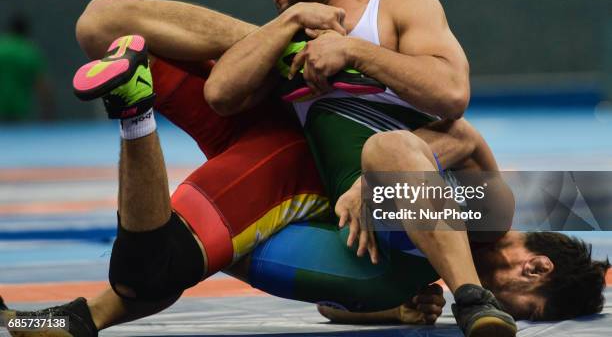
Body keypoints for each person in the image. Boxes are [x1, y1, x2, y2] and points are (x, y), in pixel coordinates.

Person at [1, 33, 609, 336]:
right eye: (522, 310)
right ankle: (140, 105)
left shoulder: (431, 265)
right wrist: (370, 191)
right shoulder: (492, 212)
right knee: (103, 21)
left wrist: (392, 310)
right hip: (294, 156)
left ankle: (30, 326)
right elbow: (402, 146)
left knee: (143, 281)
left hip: (287, 187)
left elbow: (332, 304)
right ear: (535, 269)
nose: (516, 313)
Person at [205, 0, 513, 334]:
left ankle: (474, 298)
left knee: (391, 151)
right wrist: (291, 19)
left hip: (465, 200)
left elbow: (453, 98)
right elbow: (220, 95)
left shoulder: (398, 3)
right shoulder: (288, 42)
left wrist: (354, 51)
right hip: (391, 229)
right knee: (211, 247)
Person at [0, 13, 54, 121]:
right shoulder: (29, 52)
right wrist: (48, 111)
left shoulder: (1, 48)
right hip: (18, 110)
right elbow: (41, 85)